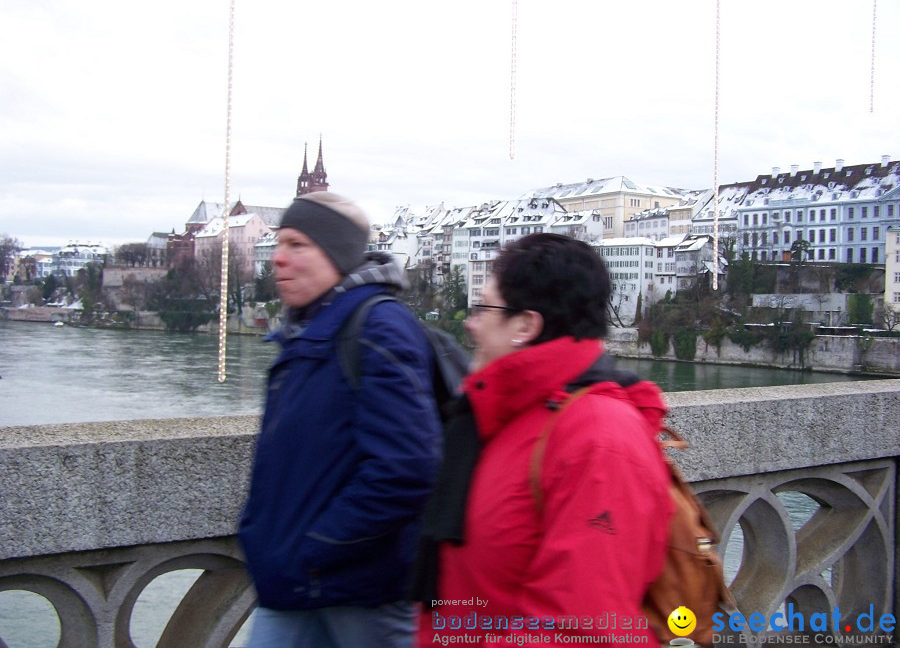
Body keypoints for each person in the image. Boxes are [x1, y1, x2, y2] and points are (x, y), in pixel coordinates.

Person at [417, 233, 674, 646]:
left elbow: (581, 630)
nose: (470, 322)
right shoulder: (507, 414)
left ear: (525, 325)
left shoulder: (599, 439)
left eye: (482, 308)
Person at [239, 191, 442, 647]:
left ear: (335, 253)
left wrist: (322, 547)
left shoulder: (377, 327)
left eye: (296, 245)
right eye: (278, 244)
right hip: (297, 578)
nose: (278, 259)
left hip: (355, 587)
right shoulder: (308, 326)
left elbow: (407, 466)